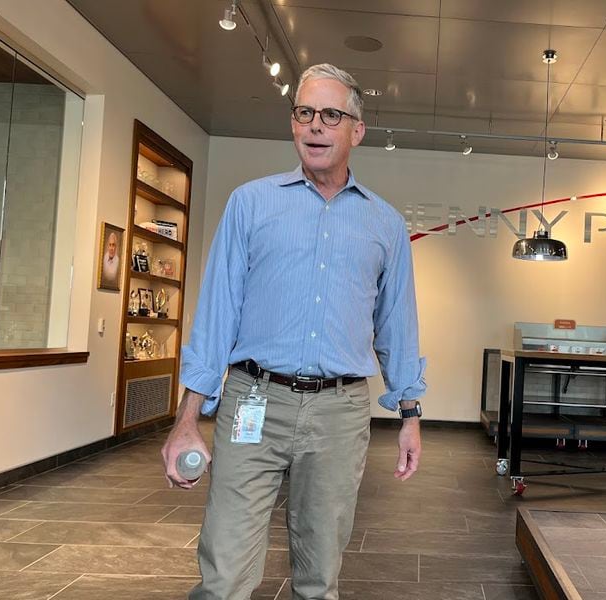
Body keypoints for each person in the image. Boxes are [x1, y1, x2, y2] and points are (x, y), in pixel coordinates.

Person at [161, 63, 427, 600]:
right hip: (251, 400)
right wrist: (188, 419)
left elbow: (397, 326)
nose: (315, 126)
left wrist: (410, 415)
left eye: (331, 115)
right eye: (305, 113)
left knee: (319, 574)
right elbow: (216, 316)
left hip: (339, 411)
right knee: (225, 569)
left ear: (357, 130)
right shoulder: (251, 203)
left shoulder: (385, 225)